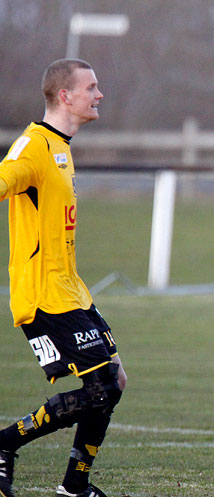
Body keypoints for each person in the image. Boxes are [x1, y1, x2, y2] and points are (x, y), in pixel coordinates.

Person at [0, 59, 126, 497]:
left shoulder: (61, 146)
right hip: (43, 293)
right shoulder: (33, 145)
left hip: (70, 289)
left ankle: (75, 486)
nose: (100, 94)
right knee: (100, 388)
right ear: (65, 96)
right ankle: (5, 443)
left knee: (114, 381)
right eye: (92, 86)